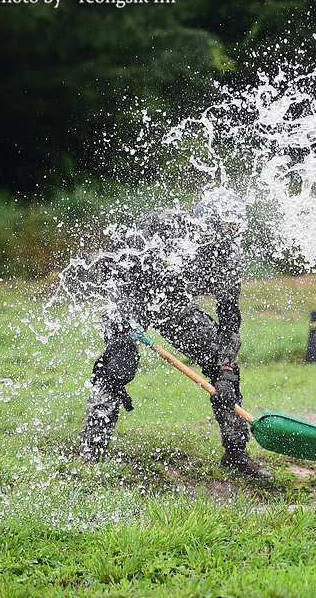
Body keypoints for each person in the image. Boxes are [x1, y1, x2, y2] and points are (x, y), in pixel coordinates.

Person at [77, 188, 272, 483]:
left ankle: (235, 453)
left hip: (173, 303)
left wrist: (226, 369)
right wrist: (120, 309)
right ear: (201, 222)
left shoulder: (229, 258)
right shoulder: (164, 224)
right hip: (131, 295)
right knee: (119, 364)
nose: (219, 241)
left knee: (221, 366)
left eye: (228, 234)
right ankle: (91, 449)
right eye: (215, 232)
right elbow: (111, 262)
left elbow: (230, 319)